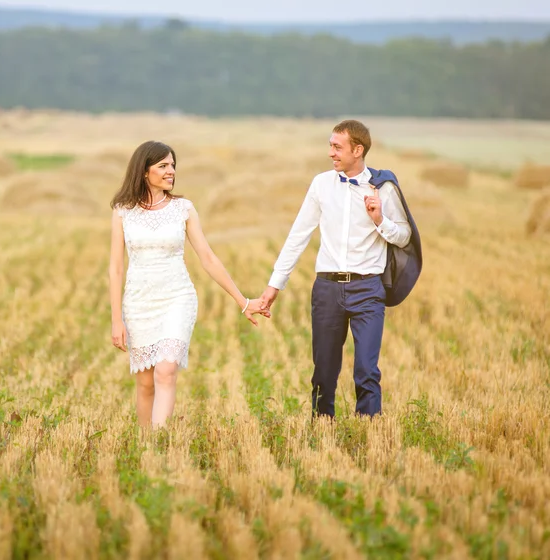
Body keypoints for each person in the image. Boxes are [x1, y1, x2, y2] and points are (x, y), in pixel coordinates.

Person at [260, 119, 418, 419]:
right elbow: (298, 235)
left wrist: (379, 220)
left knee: (367, 372)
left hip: (368, 289)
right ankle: (322, 432)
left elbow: (404, 236)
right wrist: (274, 286)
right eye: (330, 146)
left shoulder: (383, 187)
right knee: (323, 372)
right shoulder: (321, 184)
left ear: (357, 150)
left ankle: (371, 436)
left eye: (337, 147)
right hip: (327, 289)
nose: (331, 153)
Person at [109, 141, 269, 428]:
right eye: (163, 166)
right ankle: (145, 444)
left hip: (177, 297)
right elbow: (116, 268)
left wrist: (242, 301)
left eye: (172, 165)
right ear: (144, 171)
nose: (171, 171)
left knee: (166, 370)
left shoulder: (183, 209)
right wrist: (116, 319)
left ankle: (159, 441)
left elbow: (207, 257)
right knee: (145, 383)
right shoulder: (123, 211)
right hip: (138, 302)